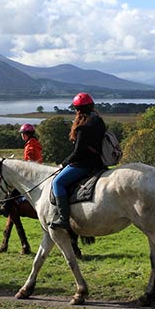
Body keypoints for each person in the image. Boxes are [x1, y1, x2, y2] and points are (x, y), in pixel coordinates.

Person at [50, 92, 106, 230]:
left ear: (78, 110)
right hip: (99, 163)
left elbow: (78, 153)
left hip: (84, 165)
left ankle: (63, 219)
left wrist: (63, 163)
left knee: (57, 182)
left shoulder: (83, 127)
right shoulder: (99, 121)